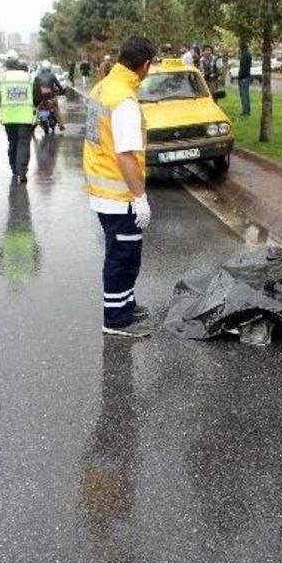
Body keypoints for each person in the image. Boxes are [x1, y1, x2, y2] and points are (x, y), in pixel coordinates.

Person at [83, 35, 157, 338]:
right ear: (145, 64)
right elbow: (125, 155)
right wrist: (139, 197)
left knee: (123, 253)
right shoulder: (124, 100)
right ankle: (116, 320)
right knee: (123, 258)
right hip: (119, 195)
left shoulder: (103, 88)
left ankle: (126, 304)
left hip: (102, 191)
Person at [0, 50, 35, 184]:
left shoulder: (1, 78)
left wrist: (2, 105)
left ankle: (14, 168)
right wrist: (32, 105)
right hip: (25, 117)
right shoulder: (29, 77)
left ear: (7, 65)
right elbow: (38, 93)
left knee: (13, 142)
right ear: (17, 64)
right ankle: (22, 172)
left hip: (8, 117)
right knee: (23, 143)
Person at [33, 59, 66, 131]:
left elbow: (34, 87)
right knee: (56, 108)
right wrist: (61, 91)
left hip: (40, 97)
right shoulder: (52, 75)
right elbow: (59, 86)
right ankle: (61, 125)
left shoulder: (38, 75)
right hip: (50, 96)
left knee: (36, 108)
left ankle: (33, 123)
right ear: (49, 67)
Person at [237, 42, 252, 117]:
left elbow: (243, 67)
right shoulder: (248, 54)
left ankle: (245, 111)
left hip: (243, 77)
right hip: (247, 76)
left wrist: (240, 77)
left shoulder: (244, 55)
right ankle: (247, 110)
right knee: (246, 94)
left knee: (244, 95)